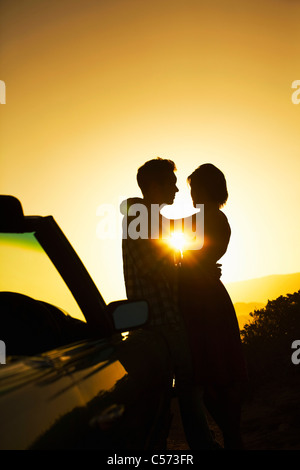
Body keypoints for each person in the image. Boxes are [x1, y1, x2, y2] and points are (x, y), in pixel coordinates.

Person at [120, 157, 218, 450]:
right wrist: (193, 269)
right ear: (153, 185)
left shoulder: (148, 217)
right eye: (171, 183)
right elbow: (154, 267)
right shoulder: (140, 216)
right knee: (189, 388)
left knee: (174, 392)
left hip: (161, 319)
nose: (177, 190)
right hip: (161, 321)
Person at [179, 163, 248, 449]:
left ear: (208, 189)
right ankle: (232, 438)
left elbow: (191, 257)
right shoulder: (214, 219)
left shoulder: (209, 220)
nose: (192, 195)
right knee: (215, 377)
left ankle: (231, 438)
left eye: (195, 188)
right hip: (205, 299)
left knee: (213, 377)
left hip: (204, 303)